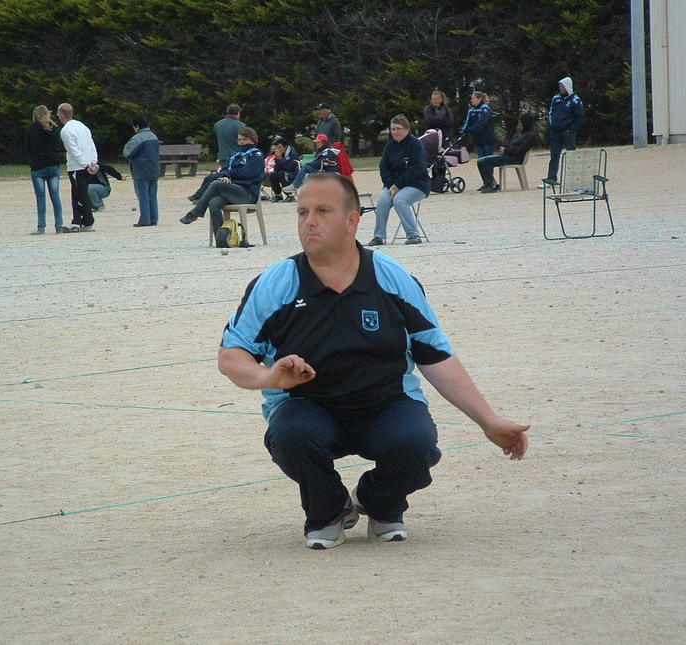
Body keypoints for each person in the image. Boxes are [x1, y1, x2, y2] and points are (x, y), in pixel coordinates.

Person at [217, 173, 529, 550]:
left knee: (416, 443)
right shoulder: (275, 282)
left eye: (323, 211)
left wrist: (488, 420)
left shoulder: (393, 278)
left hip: (386, 404)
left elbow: (436, 356)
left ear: (352, 221)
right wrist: (269, 377)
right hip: (307, 406)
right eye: (302, 212)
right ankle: (329, 511)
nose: (309, 221)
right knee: (292, 437)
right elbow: (231, 356)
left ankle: (378, 502)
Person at [178, 126, 264, 237]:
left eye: (244, 139)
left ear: (253, 140)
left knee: (216, 184)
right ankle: (222, 238)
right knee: (214, 203)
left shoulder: (256, 155)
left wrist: (230, 175)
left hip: (247, 193)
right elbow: (224, 169)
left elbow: (247, 173)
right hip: (231, 191)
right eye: (239, 140)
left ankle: (195, 213)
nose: (242, 142)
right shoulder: (235, 155)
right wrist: (226, 176)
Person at [366, 114, 429, 247]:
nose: (395, 132)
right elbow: (383, 167)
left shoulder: (415, 145)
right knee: (382, 201)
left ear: (407, 129)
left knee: (400, 200)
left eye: (398, 128)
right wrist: (390, 185)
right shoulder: (390, 146)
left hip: (417, 184)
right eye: (393, 129)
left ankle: (413, 234)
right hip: (393, 185)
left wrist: (398, 185)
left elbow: (416, 169)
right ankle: (379, 236)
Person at [187, 104, 246, 203]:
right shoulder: (241, 126)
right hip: (236, 158)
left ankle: (200, 195)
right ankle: (203, 195)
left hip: (223, 156)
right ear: (238, 113)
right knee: (223, 178)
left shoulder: (218, 125)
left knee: (219, 177)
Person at [57, 103, 98, 232]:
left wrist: (86, 165)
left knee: (79, 194)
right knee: (78, 193)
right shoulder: (83, 127)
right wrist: (93, 163)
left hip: (77, 167)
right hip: (87, 165)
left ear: (62, 115)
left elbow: (73, 151)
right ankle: (77, 221)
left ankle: (86, 221)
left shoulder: (66, 131)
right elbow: (92, 146)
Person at [24, 105, 64, 235]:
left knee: (41, 198)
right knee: (55, 197)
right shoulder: (54, 129)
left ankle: (41, 227)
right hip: (53, 166)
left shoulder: (31, 130)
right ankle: (59, 226)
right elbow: (58, 146)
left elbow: (27, 147)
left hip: (38, 167)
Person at [476, 113, 537, 193]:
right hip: (507, 155)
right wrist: (503, 147)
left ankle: (492, 186)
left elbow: (520, 150)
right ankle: (489, 183)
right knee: (480, 160)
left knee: (485, 161)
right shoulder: (520, 133)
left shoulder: (530, 135)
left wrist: (506, 150)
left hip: (515, 158)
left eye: (520, 122)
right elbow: (510, 143)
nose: (519, 124)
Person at [542, 76, 585, 186]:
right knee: (554, 156)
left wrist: (571, 129)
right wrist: (551, 126)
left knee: (572, 155)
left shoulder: (575, 100)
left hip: (567, 132)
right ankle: (551, 179)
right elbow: (551, 112)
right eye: (560, 86)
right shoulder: (556, 98)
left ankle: (576, 179)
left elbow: (580, 117)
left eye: (562, 86)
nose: (560, 88)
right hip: (555, 132)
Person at [123, 114, 161, 227]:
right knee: (152, 196)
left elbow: (127, 153)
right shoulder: (154, 136)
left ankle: (145, 220)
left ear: (137, 126)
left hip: (141, 171)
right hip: (154, 170)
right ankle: (154, 218)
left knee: (143, 195)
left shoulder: (137, 138)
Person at [459, 91, 496, 159]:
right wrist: (462, 130)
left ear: (479, 99)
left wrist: (470, 130)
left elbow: (481, 123)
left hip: (487, 139)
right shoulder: (471, 110)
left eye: (473, 98)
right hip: (478, 139)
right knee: (481, 162)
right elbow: (467, 122)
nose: (471, 100)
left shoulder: (485, 108)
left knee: (487, 162)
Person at [267, 138, 300, 202]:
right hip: (283, 173)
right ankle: (278, 195)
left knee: (282, 173)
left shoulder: (292, 154)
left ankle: (290, 195)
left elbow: (290, 168)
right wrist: (278, 159)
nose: (278, 149)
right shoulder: (280, 154)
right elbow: (276, 169)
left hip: (293, 174)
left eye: (280, 147)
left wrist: (281, 159)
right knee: (273, 174)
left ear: (285, 147)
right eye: (277, 147)